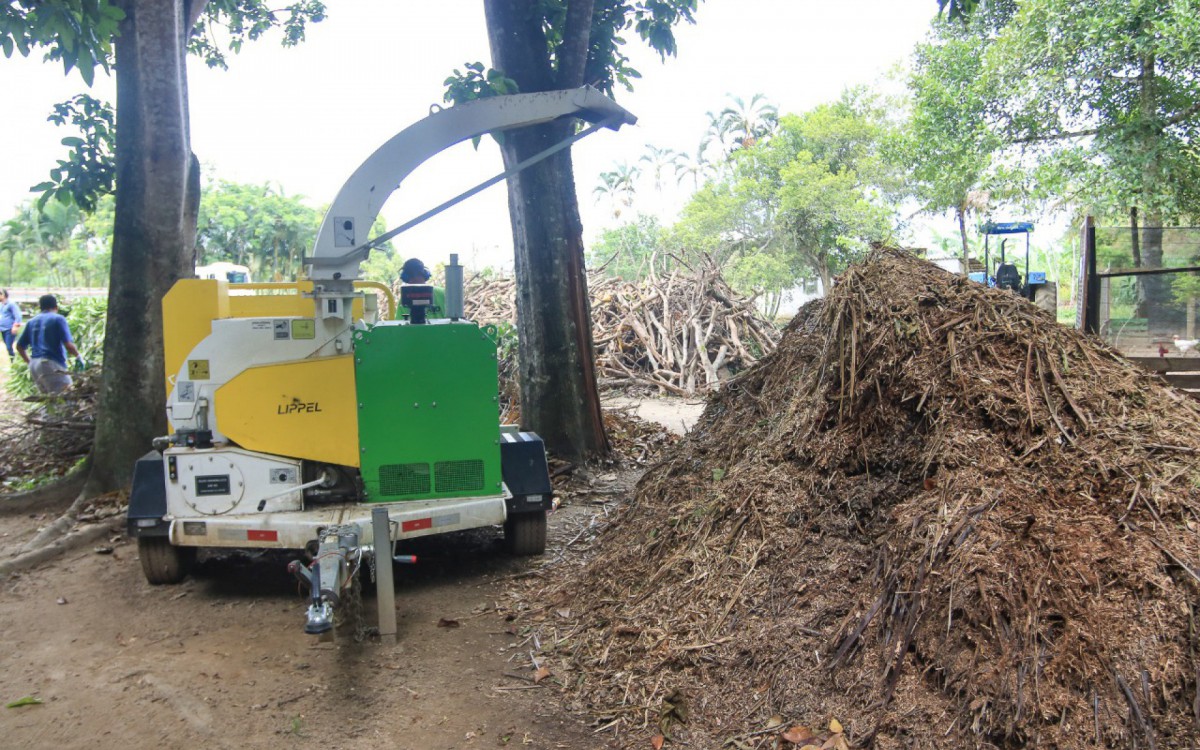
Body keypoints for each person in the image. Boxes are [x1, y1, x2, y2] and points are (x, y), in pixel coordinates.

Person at [16, 294, 81, 394]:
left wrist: (29, 362)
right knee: (66, 396)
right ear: (56, 307)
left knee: (49, 400)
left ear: (40, 307)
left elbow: (19, 346)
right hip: (50, 363)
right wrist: (78, 356)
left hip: (34, 364)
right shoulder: (58, 319)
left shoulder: (31, 322)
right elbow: (68, 345)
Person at [0, 289, 21, 360]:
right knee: (7, 346)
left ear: (3, 295)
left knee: (9, 347)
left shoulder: (11, 304)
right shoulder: (1, 305)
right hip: (2, 329)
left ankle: (14, 361)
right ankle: (13, 360)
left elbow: (18, 315)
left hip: (9, 328)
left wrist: (15, 326)